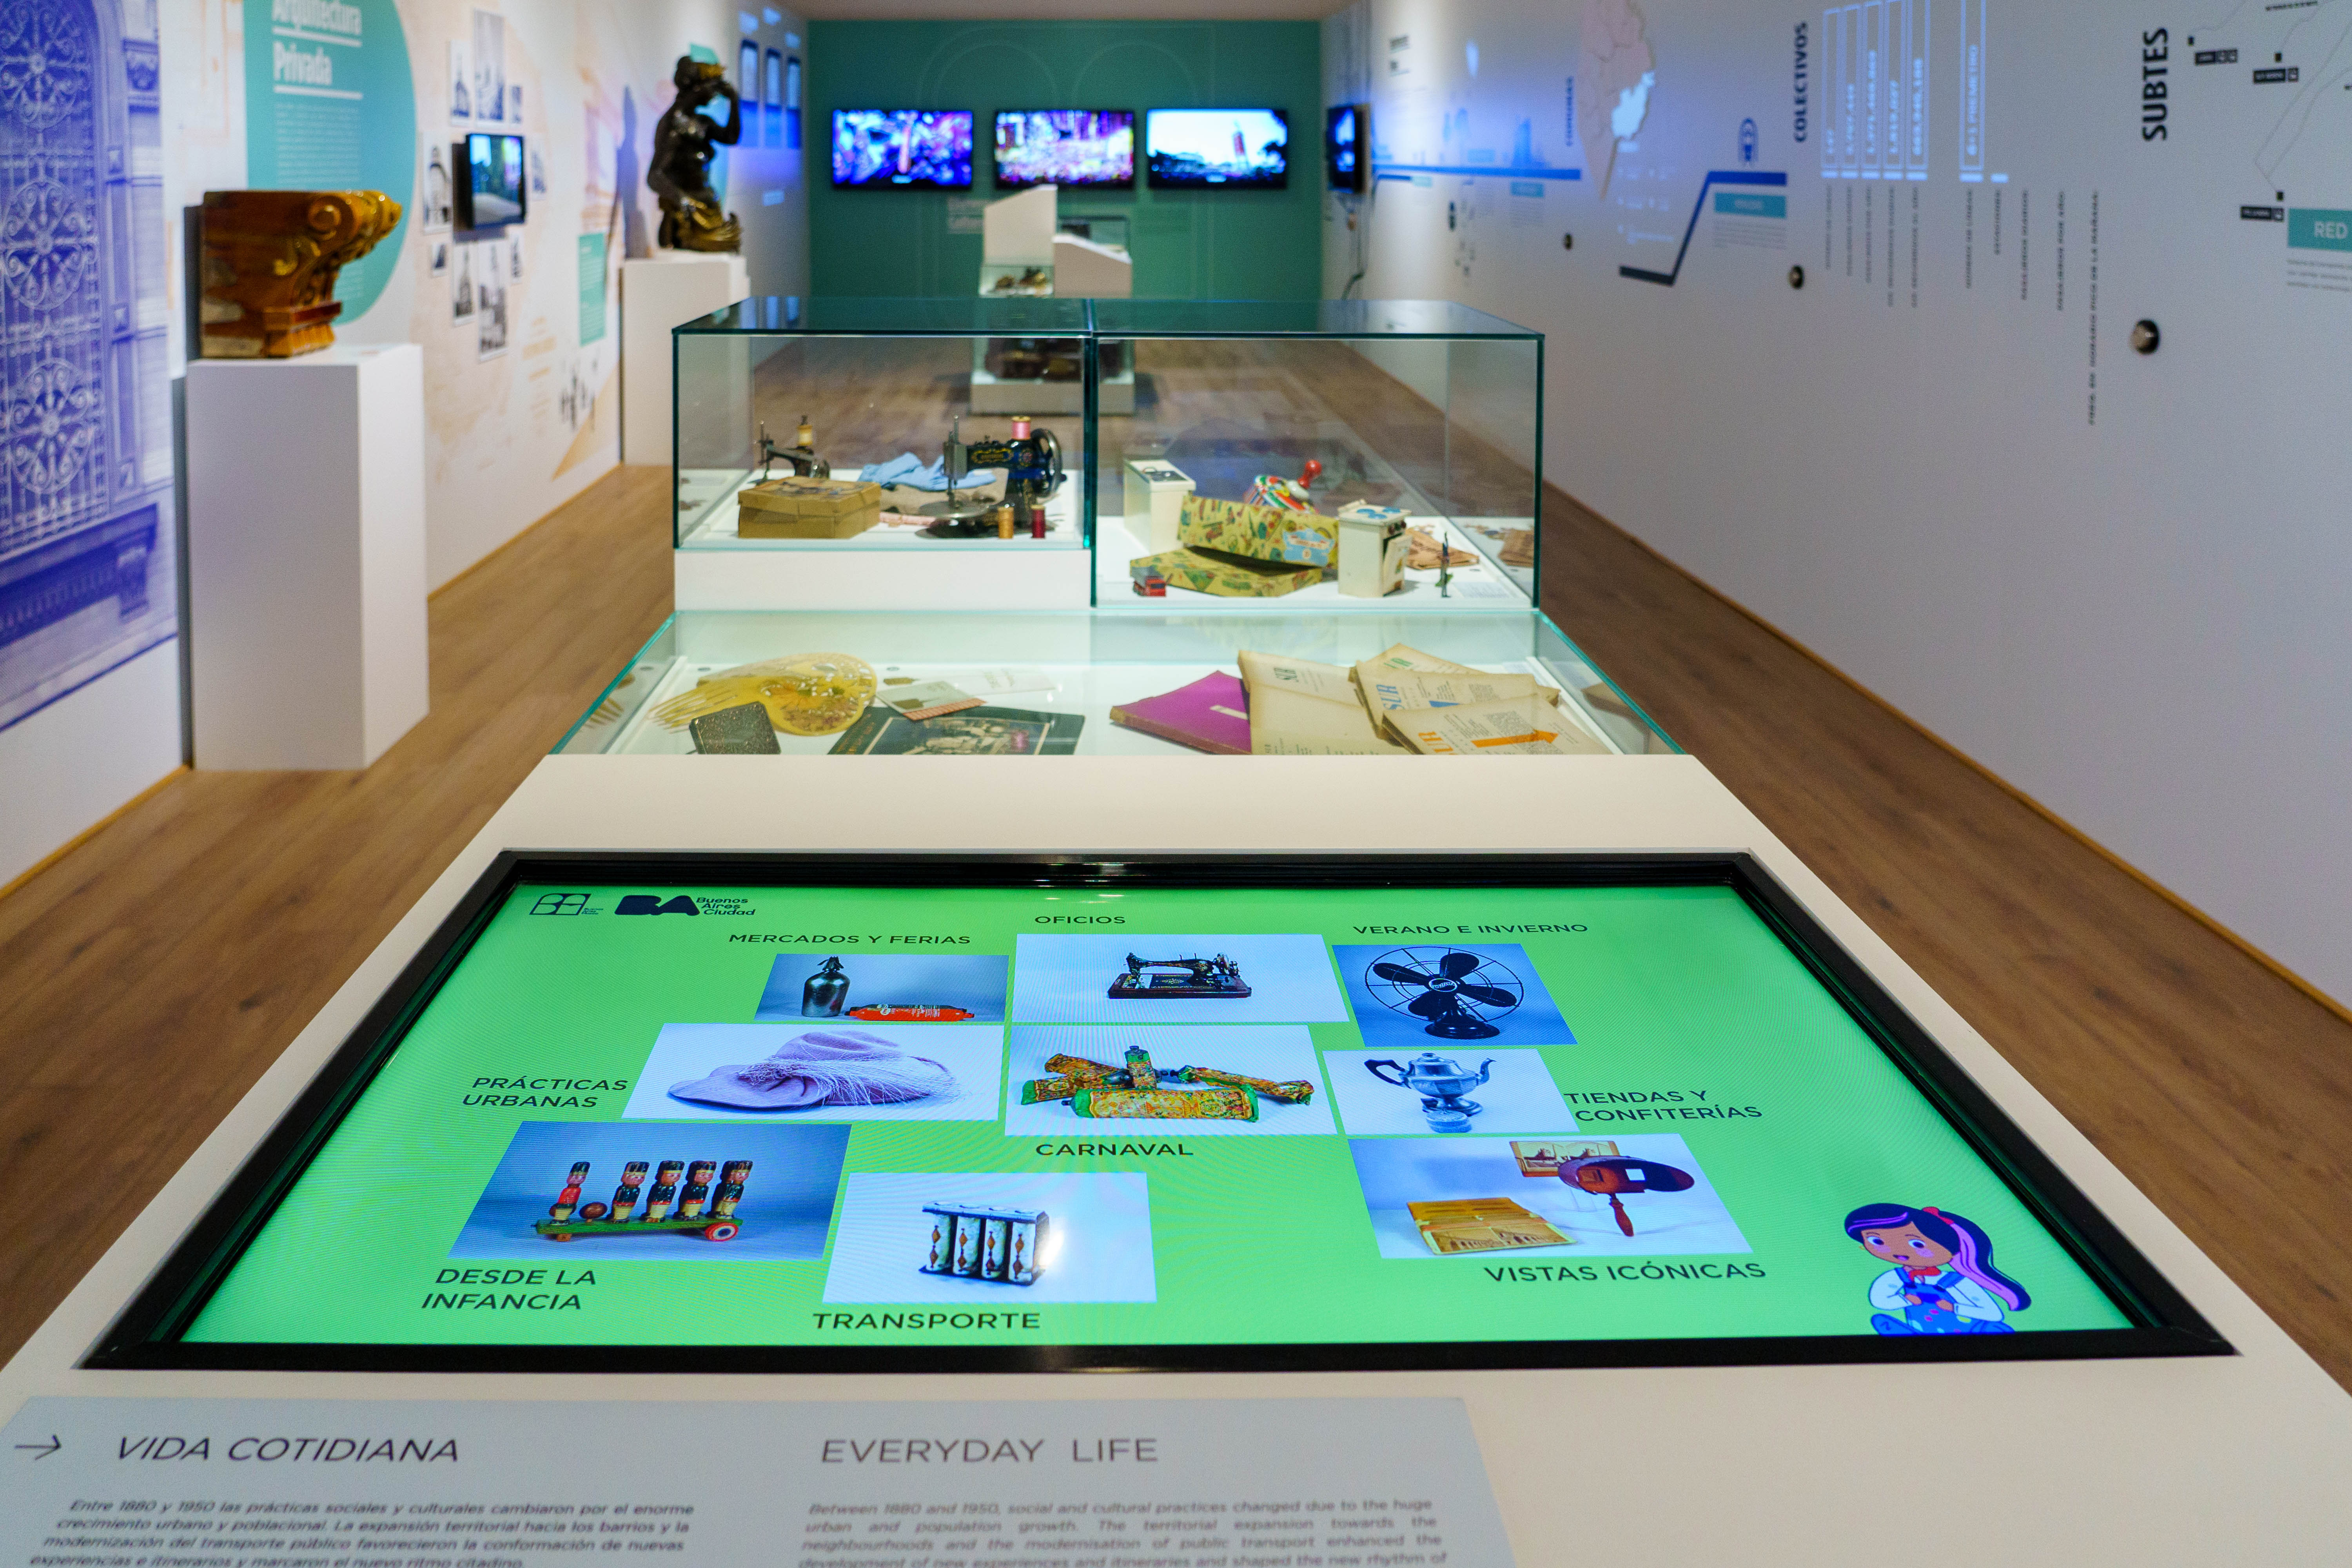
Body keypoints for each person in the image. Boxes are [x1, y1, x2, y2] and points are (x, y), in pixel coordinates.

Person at [1844, 1203, 2030, 1334]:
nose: (1899, 1251)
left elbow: (1993, 1314)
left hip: (1972, 1334)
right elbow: (1880, 1300)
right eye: (1877, 1241)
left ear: (1950, 1250)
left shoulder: (1956, 1282)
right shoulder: (1899, 1277)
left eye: (1917, 1244)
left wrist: (1954, 1308)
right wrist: (1905, 1300)